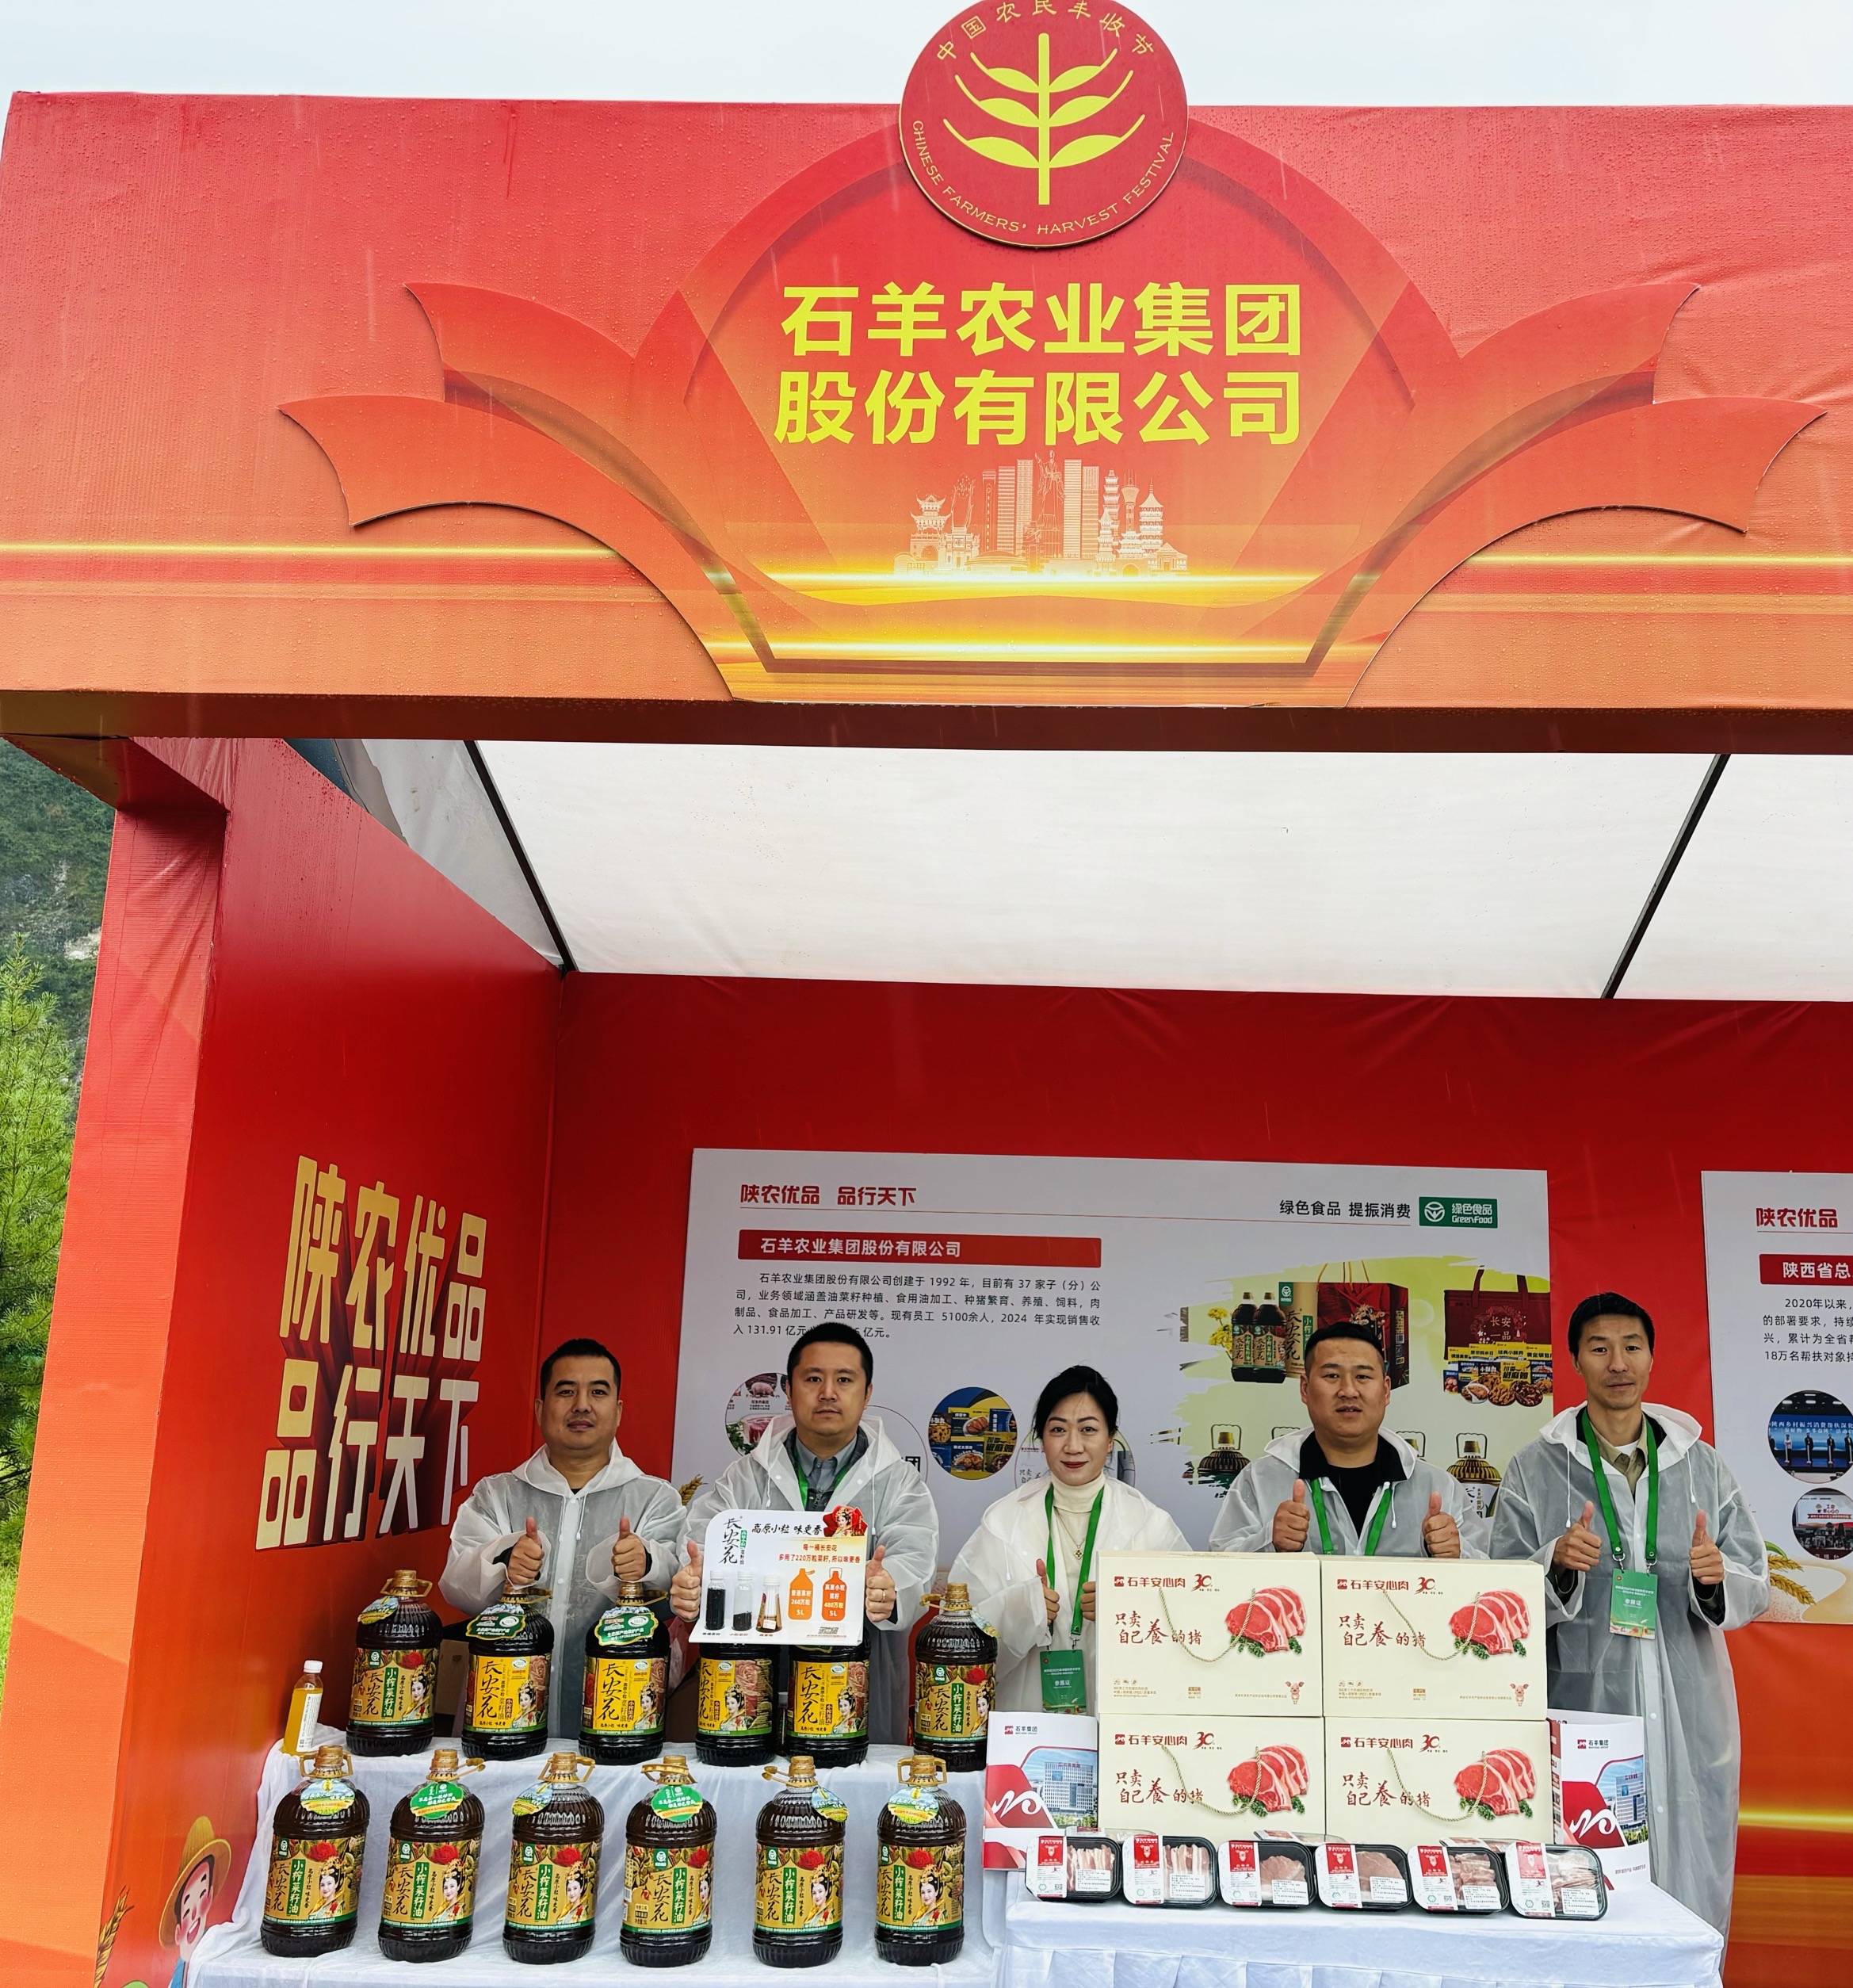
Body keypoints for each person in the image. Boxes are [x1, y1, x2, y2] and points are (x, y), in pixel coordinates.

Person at [1492, 1294, 1768, 1936]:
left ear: (1651, 1357)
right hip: (1583, 1705)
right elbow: (1500, 1590)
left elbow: (1754, 1580)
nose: (1617, 1363)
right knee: (1586, 1880)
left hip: (1689, 1708)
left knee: (1690, 1871)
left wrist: (1715, 1579)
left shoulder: (1701, 1466)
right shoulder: (1536, 1467)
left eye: (1631, 1347)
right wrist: (1555, 1564)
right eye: (1599, 1348)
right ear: (1575, 1361)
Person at [672, 1322, 938, 1743]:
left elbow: (915, 1561)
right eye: (813, 1379)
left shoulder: (898, 1481)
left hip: (851, 1686)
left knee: (852, 1778)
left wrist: (890, 1589)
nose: (828, 1392)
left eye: (844, 1380)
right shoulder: (747, 1475)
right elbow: (701, 1545)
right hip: (751, 1680)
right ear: (789, 1390)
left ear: (867, 1393)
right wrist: (695, 1580)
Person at [442, 1336, 684, 1734]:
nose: (582, 1405)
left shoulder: (654, 1498)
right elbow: (456, 1588)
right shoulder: (498, 1494)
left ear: (618, 1411)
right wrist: (503, 1558)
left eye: (598, 1392)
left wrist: (647, 1562)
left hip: (615, 1721)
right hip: (501, 1716)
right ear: (541, 1408)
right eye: (566, 1391)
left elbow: (678, 1595)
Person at [947, 1365, 1189, 1712]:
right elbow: (960, 1635)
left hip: (1121, 1719)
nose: (1073, 1446)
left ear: (1110, 1439)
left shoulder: (1150, 1524)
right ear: (1041, 1439)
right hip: (1026, 1719)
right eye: (1058, 1429)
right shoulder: (1003, 1520)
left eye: (1088, 1429)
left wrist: (1128, 1611)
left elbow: (1189, 1628)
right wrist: (1020, 1610)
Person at [1209, 1321, 1486, 1555]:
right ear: (1305, 1388)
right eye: (1332, 1375)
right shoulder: (1261, 1480)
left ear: (1386, 1391)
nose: (1349, 1390)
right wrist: (1269, 1541)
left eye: (1363, 1376)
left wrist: (1456, 1554)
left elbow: (1489, 1574)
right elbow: (1219, 1570)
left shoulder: (1436, 1486)